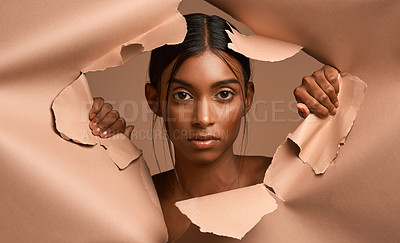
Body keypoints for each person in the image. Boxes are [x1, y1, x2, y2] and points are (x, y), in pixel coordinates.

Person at [88, 13, 340, 241]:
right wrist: (95, 155)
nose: (203, 118)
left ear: (247, 98)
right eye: (183, 95)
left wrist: (331, 109)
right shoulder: (137, 203)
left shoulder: (287, 184)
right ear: (155, 99)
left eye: (224, 94)